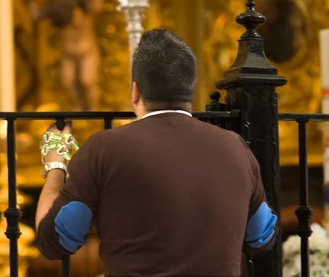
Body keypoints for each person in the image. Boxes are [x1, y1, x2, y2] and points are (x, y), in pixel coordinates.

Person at [35, 28, 278, 276]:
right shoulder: (235, 146)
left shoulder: (104, 148)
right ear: (189, 91)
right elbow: (261, 239)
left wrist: (55, 166)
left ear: (135, 92)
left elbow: (54, 241)